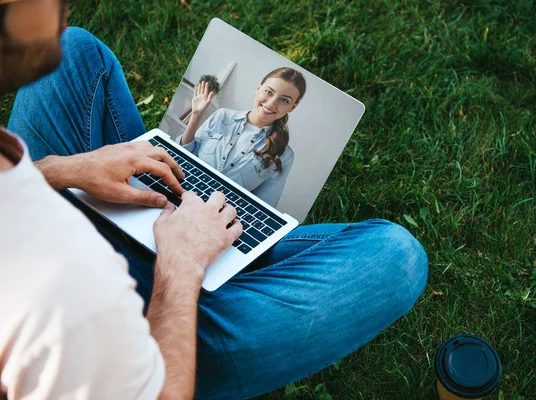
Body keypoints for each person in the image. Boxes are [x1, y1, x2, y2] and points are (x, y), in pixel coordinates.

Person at [0, 1, 429, 399]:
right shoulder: (46, 316)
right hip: (152, 313)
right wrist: (182, 263)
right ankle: (222, 280)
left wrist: (62, 169)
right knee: (397, 255)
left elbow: (266, 199)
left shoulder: (284, 154)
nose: (64, 4)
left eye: (285, 100)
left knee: (76, 49)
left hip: (117, 204)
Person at [177, 67, 305, 207]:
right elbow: (185, 154)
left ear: (293, 107)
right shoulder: (222, 116)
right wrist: (196, 115)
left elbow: (264, 205)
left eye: (284, 100)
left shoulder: (284, 156)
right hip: (180, 189)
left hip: (216, 215)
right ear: (258, 88)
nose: (271, 103)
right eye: (269, 92)